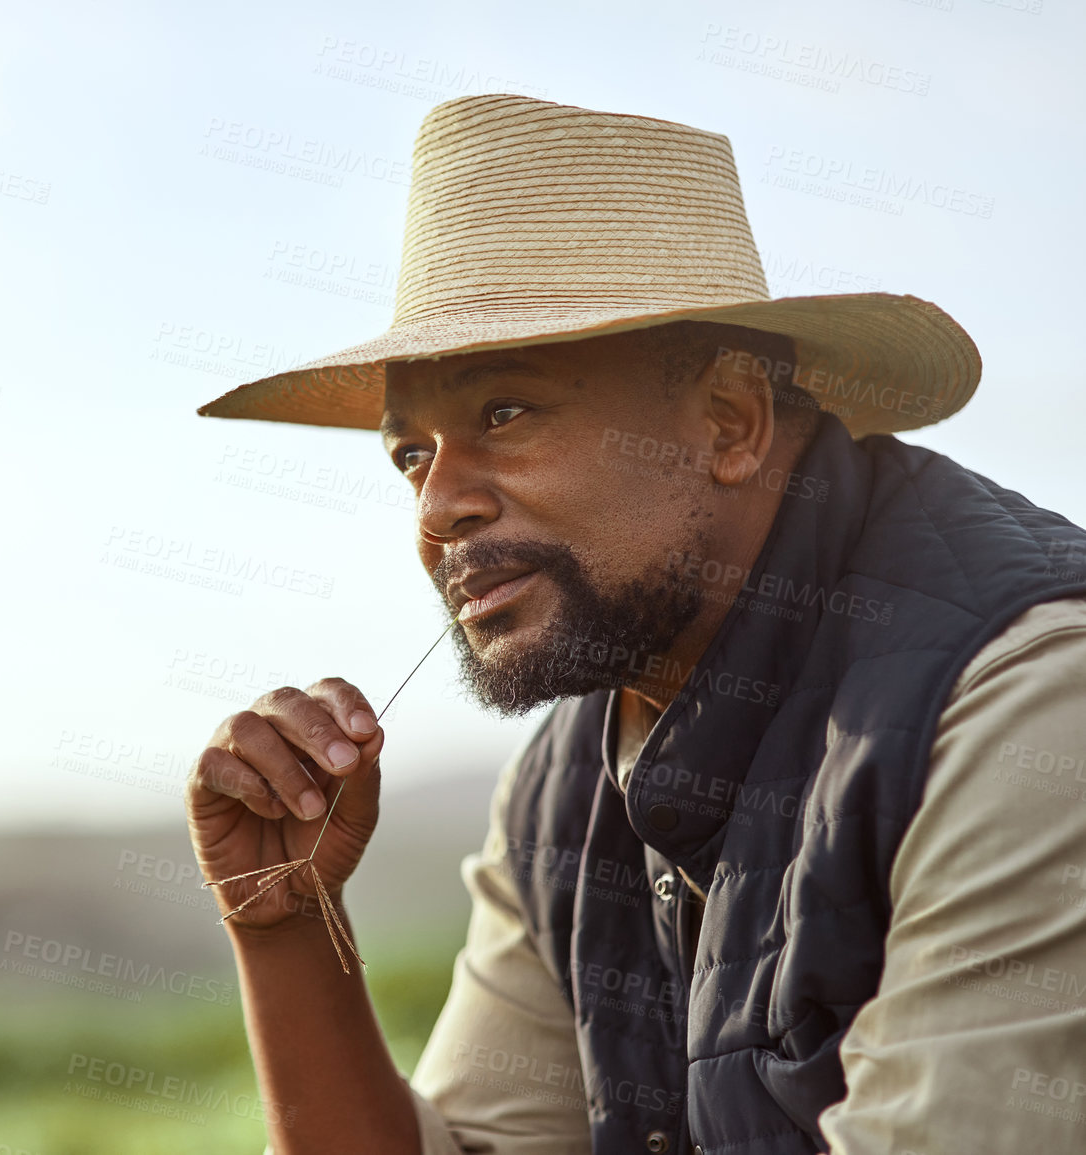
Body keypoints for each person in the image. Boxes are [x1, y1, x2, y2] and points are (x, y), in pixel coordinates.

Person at [185, 94, 1086, 1155]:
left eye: (505, 412)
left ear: (729, 421)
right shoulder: (569, 780)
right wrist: (285, 924)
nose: (437, 510)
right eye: (412, 455)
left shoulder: (1024, 700)